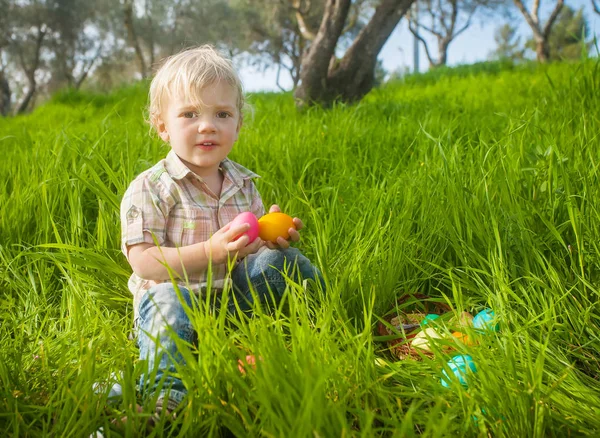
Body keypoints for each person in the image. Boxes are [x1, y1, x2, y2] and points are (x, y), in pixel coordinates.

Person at [119, 45, 323, 423]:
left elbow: (249, 250)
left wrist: (268, 238)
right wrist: (210, 251)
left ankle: (328, 327)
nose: (207, 125)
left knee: (283, 262)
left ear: (238, 124)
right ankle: (167, 397)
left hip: (232, 304)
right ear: (162, 125)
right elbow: (145, 263)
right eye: (190, 114)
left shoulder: (244, 184)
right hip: (176, 306)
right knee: (166, 299)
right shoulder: (150, 188)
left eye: (222, 114)